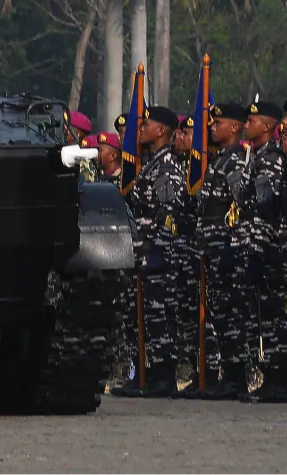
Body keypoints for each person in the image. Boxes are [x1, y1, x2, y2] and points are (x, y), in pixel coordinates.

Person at [114, 104, 184, 397]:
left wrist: (159, 248)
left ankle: (162, 377)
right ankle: (144, 373)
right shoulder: (151, 162)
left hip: (156, 250)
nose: (140, 129)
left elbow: (171, 209)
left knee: (157, 316)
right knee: (140, 315)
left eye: (146, 125)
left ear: (162, 131)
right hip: (140, 249)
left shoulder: (166, 165)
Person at [195, 102, 252, 398]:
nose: (212, 127)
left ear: (235, 127)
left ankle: (236, 377)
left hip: (227, 248)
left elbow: (241, 204)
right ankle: (226, 376)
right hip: (213, 248)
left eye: (219, 123)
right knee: (219, 313)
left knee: (231, 315)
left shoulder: (235, 162)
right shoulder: (220, 160)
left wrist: (234, 244)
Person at [241, 100, 285, 400]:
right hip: (273, 247)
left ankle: (279, 378)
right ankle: (274, 377)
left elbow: (266, 209)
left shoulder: (270, 160)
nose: (247, 124)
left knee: (277, 316)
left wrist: (257, 249)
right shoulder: (259, 157)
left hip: (274, 247)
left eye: (253, 120)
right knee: (270, 316)